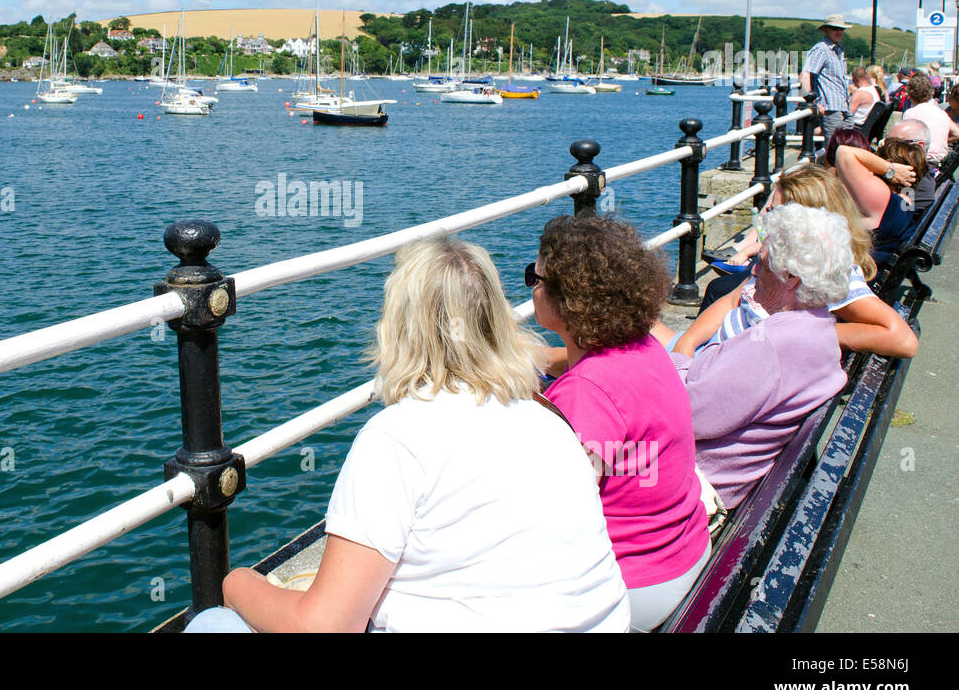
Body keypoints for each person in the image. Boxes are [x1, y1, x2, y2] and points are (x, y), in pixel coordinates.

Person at [205, 237, 630, 633]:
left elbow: (326, 626)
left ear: (399, 326)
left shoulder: (397, 438)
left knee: (213, 625)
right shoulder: (551, 420)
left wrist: (236, 584)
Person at [528, 214, 710, 632]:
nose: (532, 288)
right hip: (682, 549)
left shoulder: (585, 393)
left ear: (565, 297)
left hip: (634, 583)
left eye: (533, 278)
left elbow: (552, 511)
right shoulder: (642, 346)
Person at [678, 204, 853, 510]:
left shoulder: (775, 343)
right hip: (727, 477)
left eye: (762, 263)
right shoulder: (818, 324)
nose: (753, 271)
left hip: (692, 484)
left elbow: (684, 415)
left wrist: (672, 362)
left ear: (791, 278)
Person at [670, 165, 918, 361]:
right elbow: (733, 299)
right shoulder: (782, 254)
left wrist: (808, 332)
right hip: (709, 348)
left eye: (775, 210)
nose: (766, 215)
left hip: (723, 363)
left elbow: (903, 341)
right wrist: (687, 343)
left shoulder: (831, 271)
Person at [835, 139, 922, 266]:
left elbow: (844, 153)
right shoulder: (904, 201)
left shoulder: (882, 198)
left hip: (855, 272)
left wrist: (890, 170)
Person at [800, 14, 851, 140]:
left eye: (841, 29)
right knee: (834, 145)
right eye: (835, 28)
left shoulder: (839, 49)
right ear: (826, 30)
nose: (839, 32)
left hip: (843, 104)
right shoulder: (821, 49)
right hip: (830, 106)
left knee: (844, 143)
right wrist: (811, 101)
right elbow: (806, 74)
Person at [902, 72, 959, 165]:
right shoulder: (941, 112)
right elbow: (957, 133)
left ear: (910, 95)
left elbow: (903, 140)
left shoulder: (910, 113)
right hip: (942, 159)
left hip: (922, 160)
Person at [885, 120, 936, 216]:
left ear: (919, 146)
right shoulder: (924, 173)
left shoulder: (910, 177)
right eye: (887, 142)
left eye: (896, 143)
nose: (887, 147)